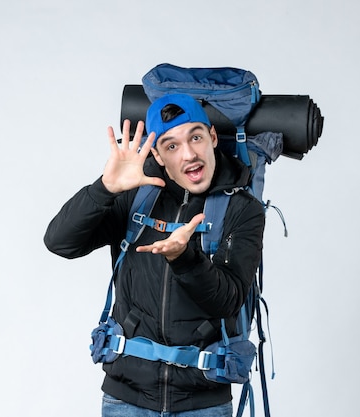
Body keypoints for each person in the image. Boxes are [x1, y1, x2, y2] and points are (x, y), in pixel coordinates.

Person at [44, 93, 265, 416]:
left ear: (212, 138)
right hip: (126, 399)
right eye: (172, 145)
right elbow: (60, 242)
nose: (189, 154)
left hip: (202, 403)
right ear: (158, 156)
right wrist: (104, 189)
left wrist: (184, 258)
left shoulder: (243, 210)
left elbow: (227, 300)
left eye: (196, 137)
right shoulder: (133, 197)